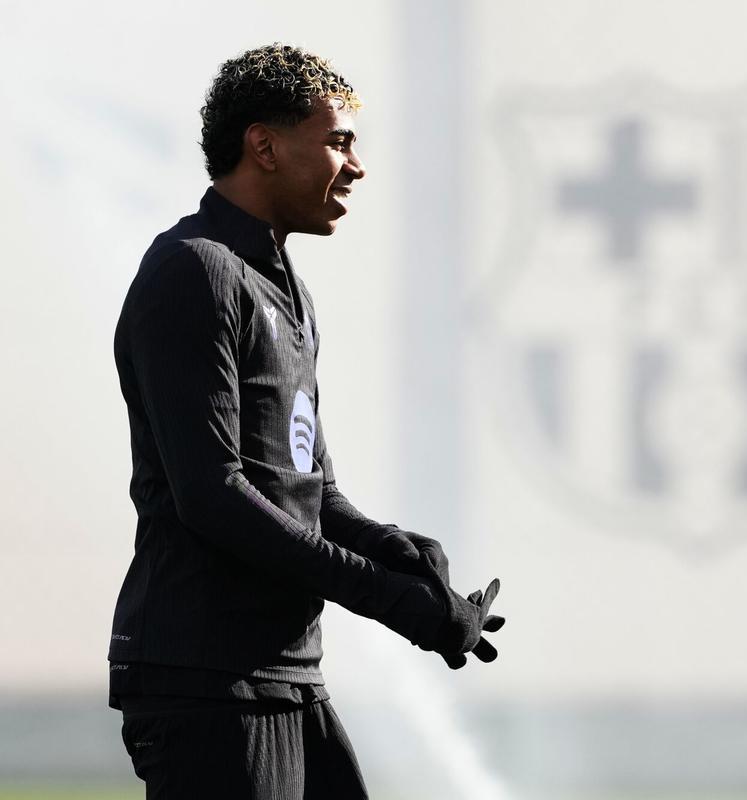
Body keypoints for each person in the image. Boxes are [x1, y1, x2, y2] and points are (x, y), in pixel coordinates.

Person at [109, 43, 504, 799]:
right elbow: (214, 495)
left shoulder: (284, 285)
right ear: (264, 146)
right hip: (208, 681)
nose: (357, 166)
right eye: (339, 141)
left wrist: (401, 556)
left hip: (283, 675)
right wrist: (389, 600)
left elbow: (310, 490)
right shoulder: (195, 270)